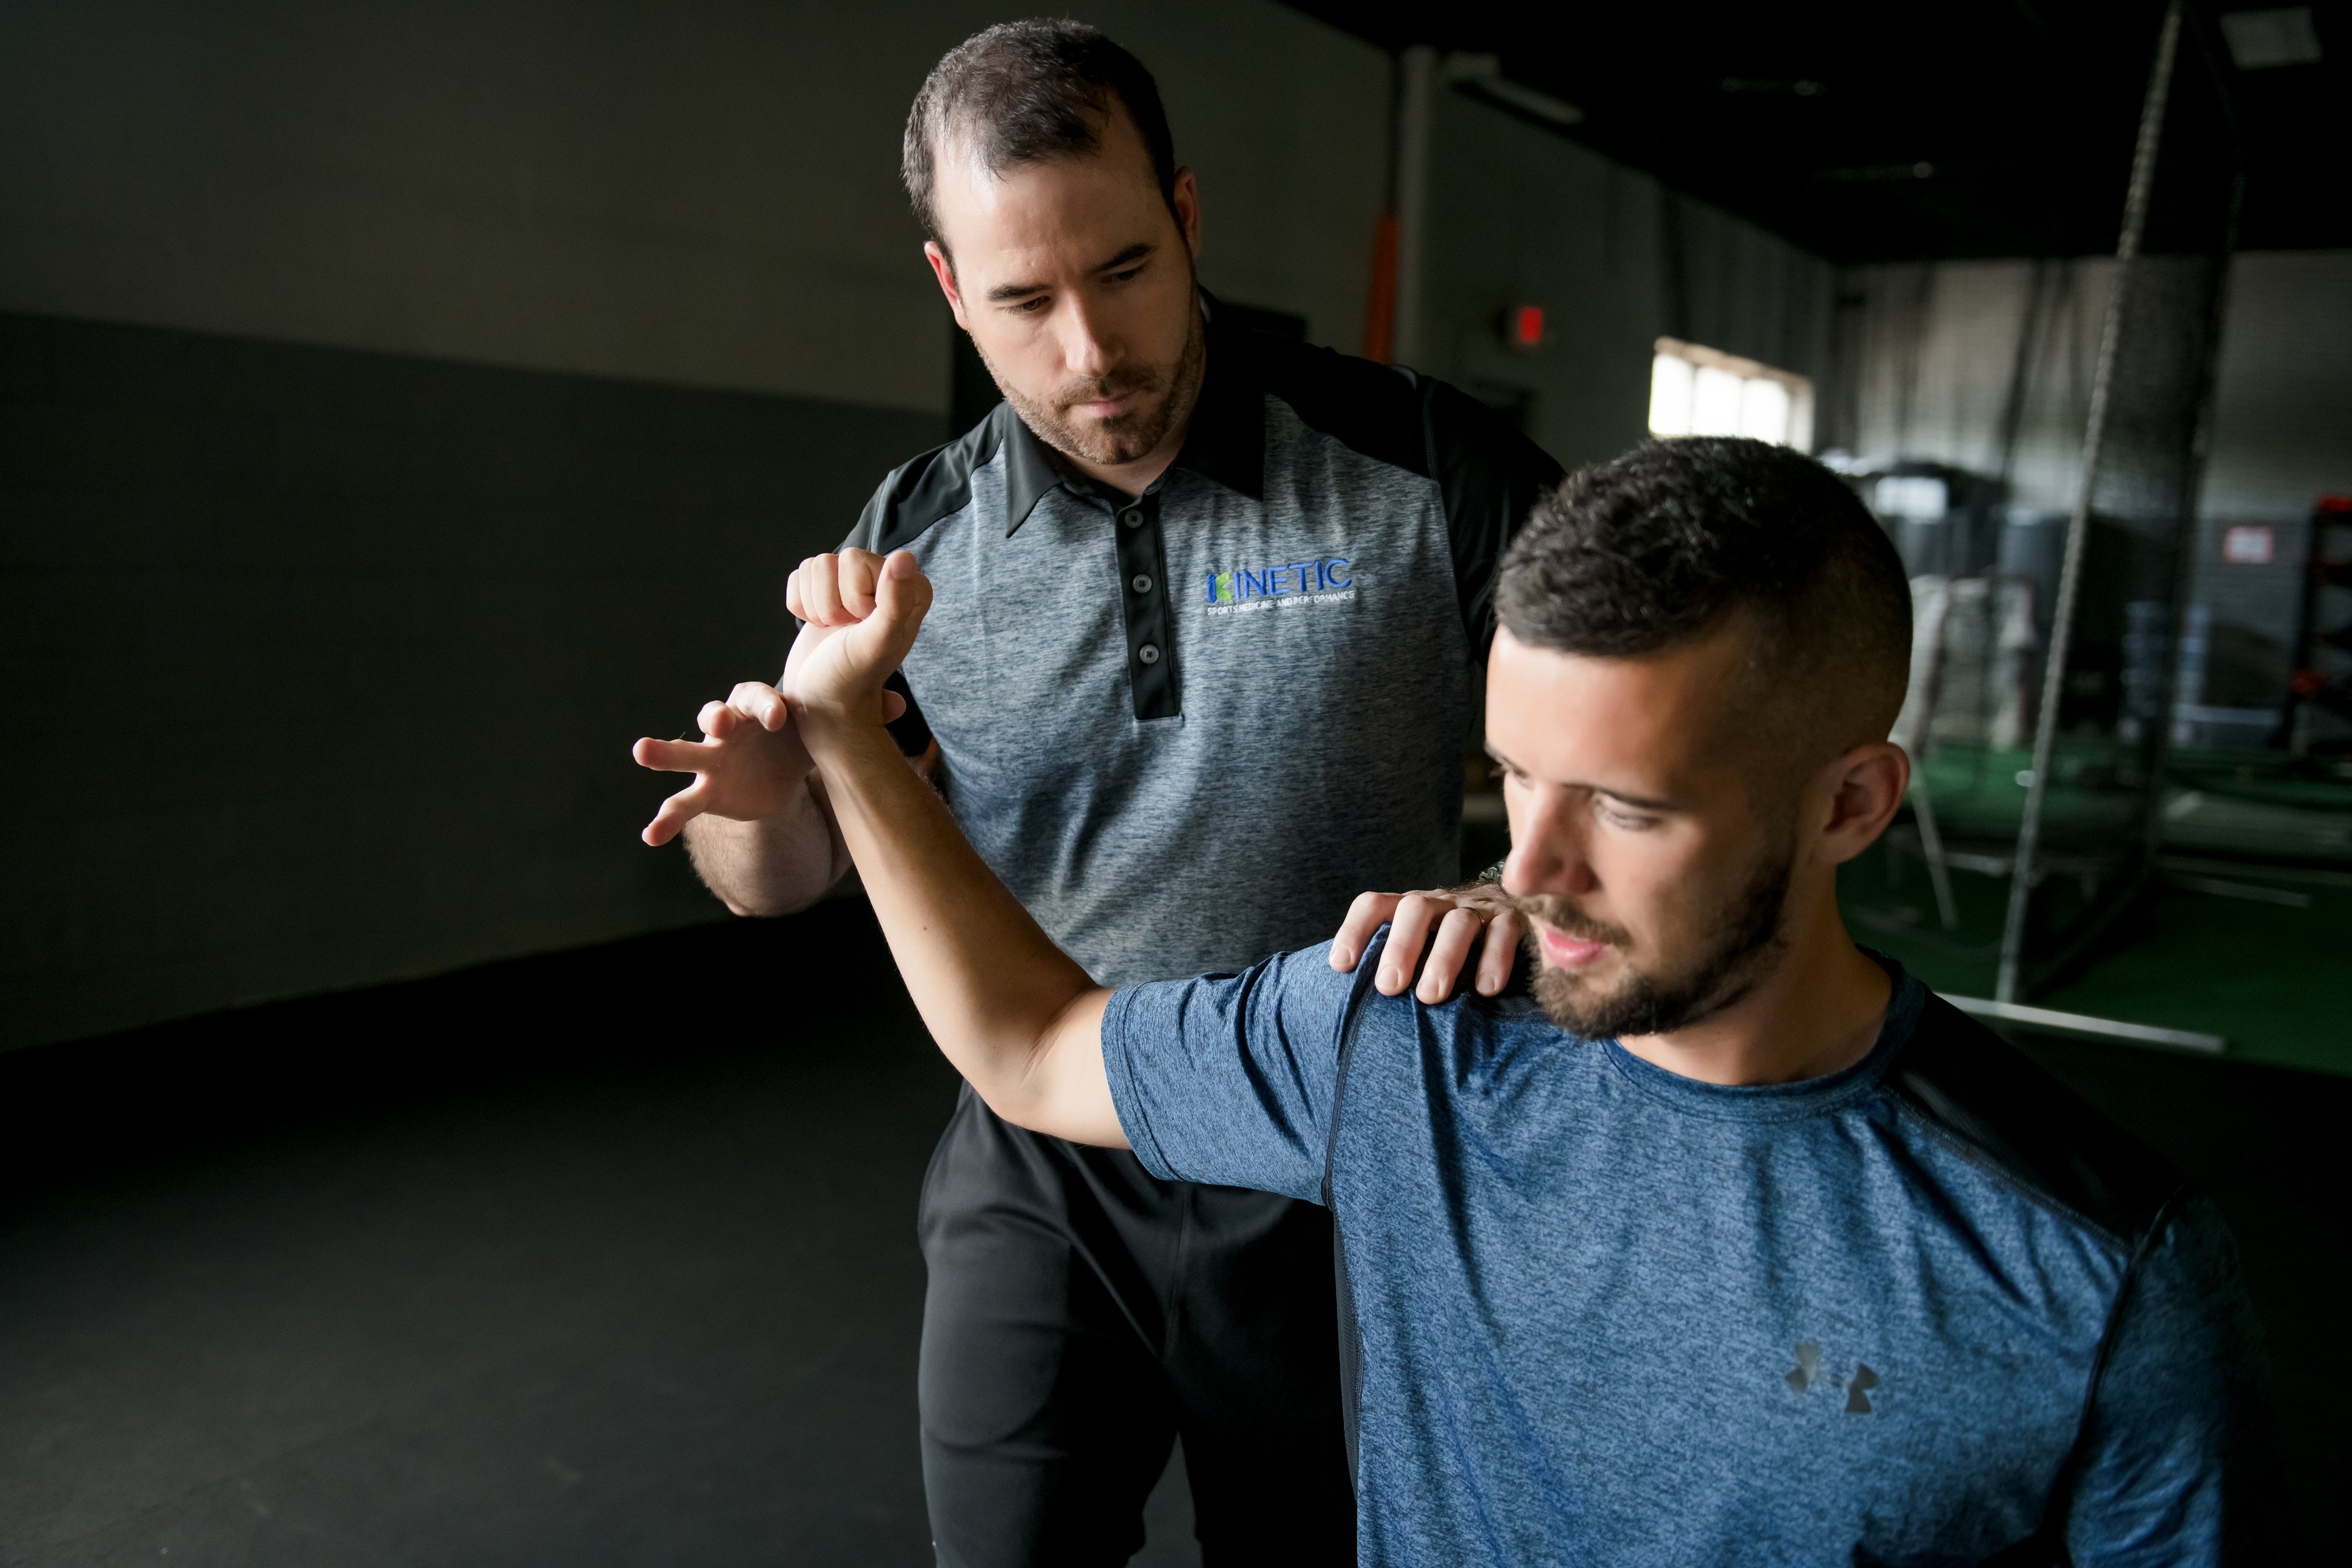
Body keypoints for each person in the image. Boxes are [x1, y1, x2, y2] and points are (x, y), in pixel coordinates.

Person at [769, 436, 2273, 1566]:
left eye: (1622, 807)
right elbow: (1032, 1048)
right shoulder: (1404, 1033)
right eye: (1511, 779)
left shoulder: (2094, 1269)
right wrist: (845, 733)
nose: (1528, 870)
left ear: (1850, 804)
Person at [632, 20, 1559, 1564]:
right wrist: (756, 795)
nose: (1090, 350)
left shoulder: (1415, 460)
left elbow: (1645, 718)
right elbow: (775, 880)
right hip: (1044, 1154)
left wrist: (1524, 874)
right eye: (1023, 301)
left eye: (1124, 270)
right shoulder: (915, 534)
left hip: (1333, 1143)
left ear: (1186, 218)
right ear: (949, 288)